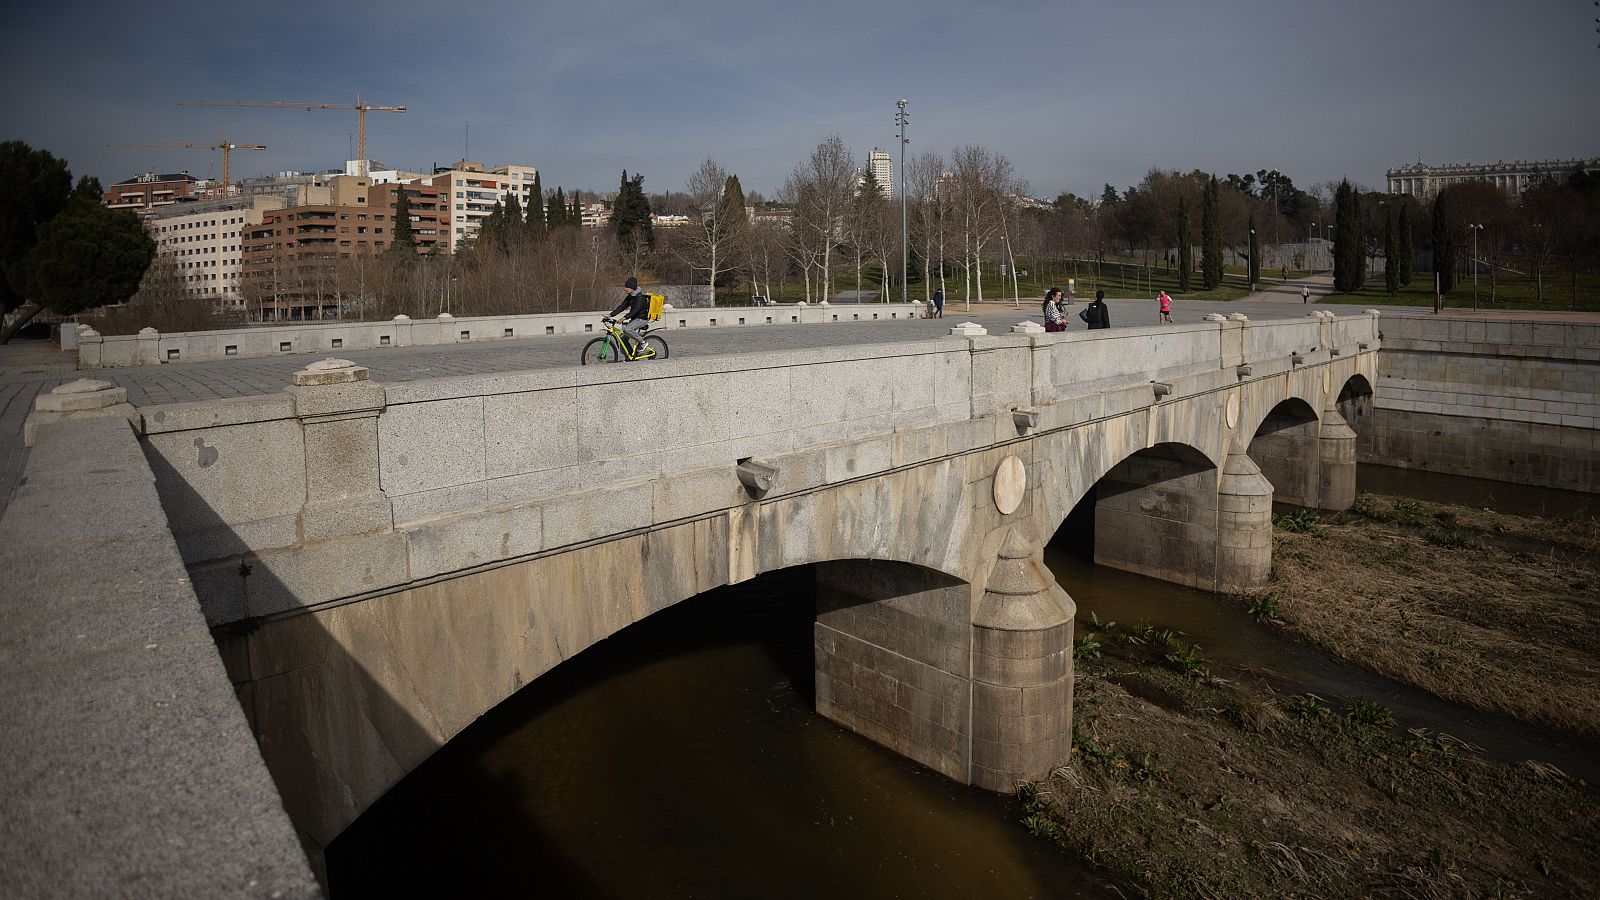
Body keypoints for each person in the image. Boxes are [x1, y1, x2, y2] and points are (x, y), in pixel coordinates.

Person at [608, 276, 654, 357]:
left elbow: (635, 310)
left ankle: (643, 343)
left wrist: (624, 318)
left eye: (627, 287)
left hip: (642, 319)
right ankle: (629, 356)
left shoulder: (640, 298)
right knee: (623, 339)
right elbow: (622, 307)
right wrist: (610, 315)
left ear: (632, 288)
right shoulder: (630, 296)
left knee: (627, 329)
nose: (625, 289)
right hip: (635, 319)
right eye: (625, 287)